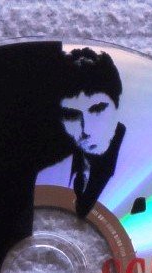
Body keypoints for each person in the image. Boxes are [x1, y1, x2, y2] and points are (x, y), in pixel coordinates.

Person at [37, 47, 127, 217]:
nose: (86, 129)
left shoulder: (151, 161)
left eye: (98, 109)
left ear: (118, 105)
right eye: (71, 115)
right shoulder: (49, 169)